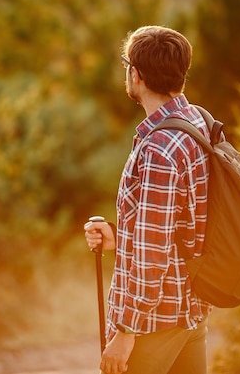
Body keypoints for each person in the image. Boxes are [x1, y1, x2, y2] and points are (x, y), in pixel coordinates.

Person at [84, 26, 212, 374]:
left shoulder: (159, 149)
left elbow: (154, 250)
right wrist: (119, 237)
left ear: (135, 74)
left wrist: (126, 331)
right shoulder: (196, 121)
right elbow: (176, 225)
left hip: (154, 324)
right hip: (190, 313)